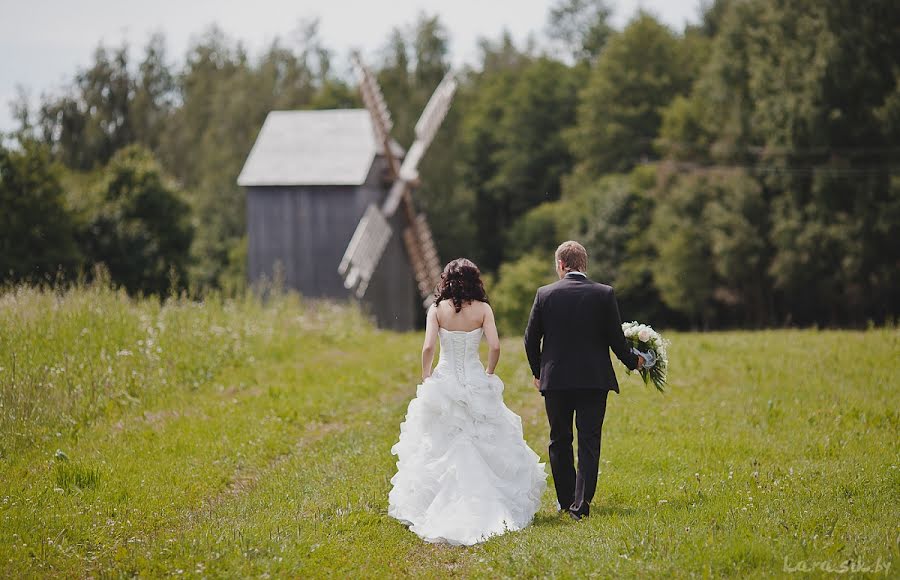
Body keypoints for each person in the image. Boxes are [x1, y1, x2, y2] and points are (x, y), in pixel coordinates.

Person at [388, 258, 547, 545]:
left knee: (439, 442)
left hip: (446, 378)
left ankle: (434, 506)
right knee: (484, 437)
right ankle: (490, 502)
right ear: (475, 280)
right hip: (474, 377)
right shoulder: (483, 309)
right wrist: (488, 372)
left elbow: (428, 347)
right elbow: (495, 346)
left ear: (446, 280)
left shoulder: (436, 310)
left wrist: (427, 377)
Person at [524, 241, 644, 521]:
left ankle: (566, 502)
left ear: (561, 265)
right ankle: (582, 506)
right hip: (593, 380)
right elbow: (616, 340)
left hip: (556, 382)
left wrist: (538, 372)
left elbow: (531, 339)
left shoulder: (544, 294)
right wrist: (634, 363)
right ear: (583, 265)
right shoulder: (604, 294)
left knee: (559, 440)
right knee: (589, 441)